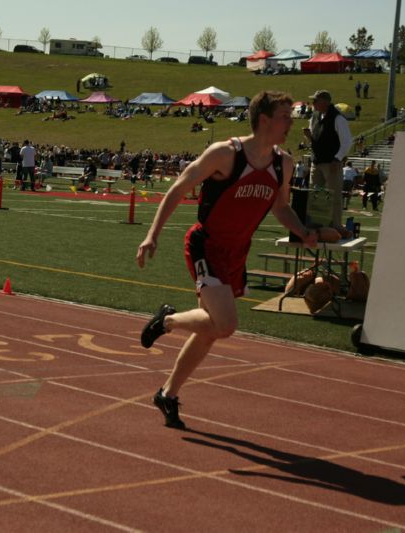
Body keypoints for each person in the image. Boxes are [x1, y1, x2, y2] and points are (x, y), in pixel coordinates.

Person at [136, 91, 318, 429]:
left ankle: (168, 394)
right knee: (226, 324)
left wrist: (303, 231)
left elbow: (280, 206)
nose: (290, 122)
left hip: (237, 252)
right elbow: (179, 187)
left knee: (210, 330)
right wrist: (152, 234)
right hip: (207, 244)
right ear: (264, 119)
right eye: (284, 116)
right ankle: (169, 321)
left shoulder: (284, 164)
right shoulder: (225, 154)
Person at [302, 90, 352, 234]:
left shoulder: (338, 119)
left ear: (325, 102)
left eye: (315, 101)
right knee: (315, 194)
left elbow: (347, 141)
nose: (313, 104)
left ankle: (336, 225)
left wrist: (337, 158)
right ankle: (317, 224)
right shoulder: (315, 116)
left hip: (331, 164)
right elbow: (316, 140)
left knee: (334, 194)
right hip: (317, 162)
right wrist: (309, 136)